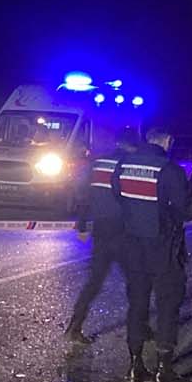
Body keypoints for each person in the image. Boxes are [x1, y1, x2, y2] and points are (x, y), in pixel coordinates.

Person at [112, 125, 192, 382]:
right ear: (168, 140)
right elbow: (187, 211)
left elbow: (118, 196)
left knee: (137, 304)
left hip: (132, 247)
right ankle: (165, 370)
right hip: (163, 250)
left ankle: (135, 365)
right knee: (167, 306)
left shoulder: (124, 165)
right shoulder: (169, 169)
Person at [63, 129, 133, 345]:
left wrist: (83, 225)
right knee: (137, 281)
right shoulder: (130, 167)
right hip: (125, 233)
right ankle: (141, 327)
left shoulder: (99, 164)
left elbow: (84, 195)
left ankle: (75, 327)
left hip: (102, 231)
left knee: (94, 282)